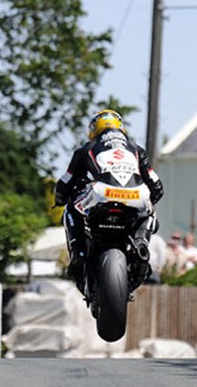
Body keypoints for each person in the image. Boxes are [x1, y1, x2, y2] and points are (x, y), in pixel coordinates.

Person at [54, 109, 164, 284]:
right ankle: (141, 243)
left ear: (93, 129)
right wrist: (152, 200)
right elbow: (157, 185)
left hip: (101, 193)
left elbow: (65, 182)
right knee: (150, 210)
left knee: (70, 210)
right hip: (137, 195)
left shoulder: (86, 149)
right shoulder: (136, 149)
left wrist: (60, 198)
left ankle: (79, 254)